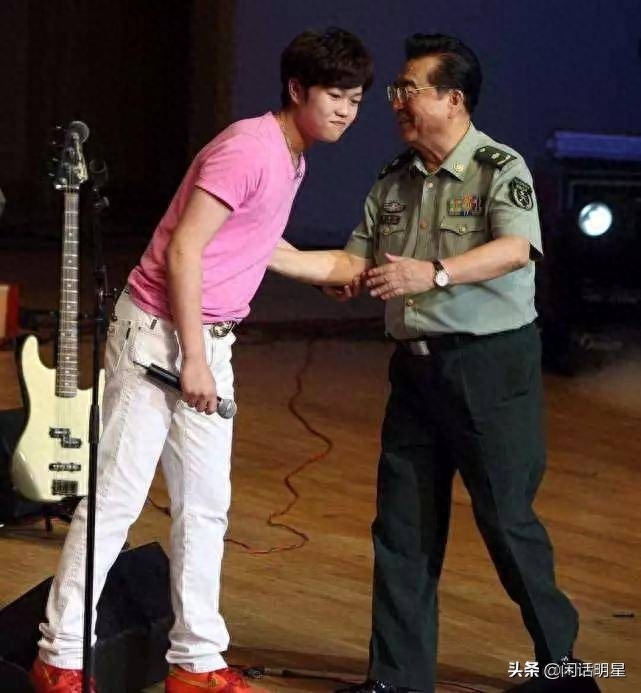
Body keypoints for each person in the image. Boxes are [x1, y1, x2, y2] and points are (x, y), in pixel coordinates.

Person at [30, 27, 373, 693]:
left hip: (209, 339)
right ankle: (60, 654)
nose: (345, 111)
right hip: (160, 334)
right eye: (334, 96)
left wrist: (329, 270)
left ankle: (196, 662)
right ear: (297, 89)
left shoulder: (291, 158)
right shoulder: (248, 148)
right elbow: (185, 249)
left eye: (355, 100)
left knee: (206, 505)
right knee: (117, 499)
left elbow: (253, 242)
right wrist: (193, 357)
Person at [269, 33, 579, 693]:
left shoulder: (499, 167)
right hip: (414, 371)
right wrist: (262, 249)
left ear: (453, 99)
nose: (395, 103)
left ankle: (566, 672)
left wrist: (432, 272)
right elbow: (353, 259)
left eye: (408, 90)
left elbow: (516, 249)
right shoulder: (394, 178)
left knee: (506, 521)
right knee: (401, 526)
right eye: (396, 90)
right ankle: (398, 679)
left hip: (489, 366)